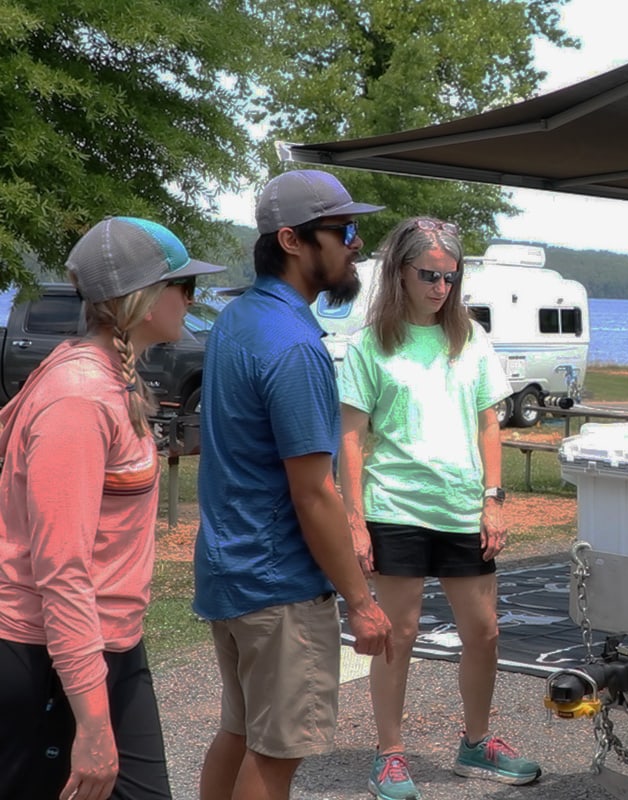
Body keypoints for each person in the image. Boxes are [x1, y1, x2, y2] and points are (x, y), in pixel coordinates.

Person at [0, 217, 223, 800]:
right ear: (143, 300)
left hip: (110, 643)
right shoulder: (78, 397)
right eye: (184, 287)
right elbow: (61, 569)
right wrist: (93, 725)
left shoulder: (108, 379)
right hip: (45, 652)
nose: (192, 300)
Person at [193, 170, 393, 800]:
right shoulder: (294, 345)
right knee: (277, 753)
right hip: (278, 584)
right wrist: (360, 603)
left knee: (240, 732)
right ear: (293, 240)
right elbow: (314, 493)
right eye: (344, 231)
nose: (356, 244)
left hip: (229, 569)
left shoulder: (237, 320)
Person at [338, 217, 542, 800]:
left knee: (484, 633)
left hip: (462, 508)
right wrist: (355, 519)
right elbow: (350, 437)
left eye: (450, 277)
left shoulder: (469, 339)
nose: (440, 287)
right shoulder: (370, 344)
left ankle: (475, 743)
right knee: (396, 634)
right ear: (398, 271)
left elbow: (488, 424)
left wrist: (493, 500)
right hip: (394, 506)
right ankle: (390, 755)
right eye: (429, 274)